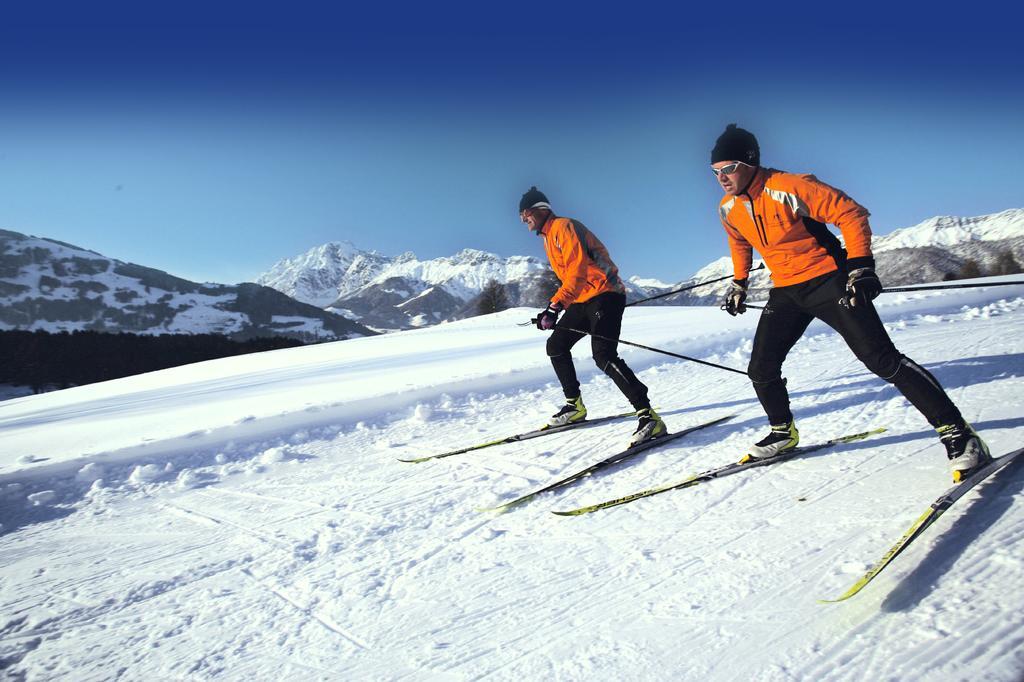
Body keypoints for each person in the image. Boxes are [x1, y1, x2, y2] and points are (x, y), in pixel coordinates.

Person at [710, 124, 990, 482]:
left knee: (883, 360)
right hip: (787, 289)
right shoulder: (728, 207)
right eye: (715, 171)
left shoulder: (790, 187)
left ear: (750, 162)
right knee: (761, 368)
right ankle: (783, 432)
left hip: (829, 279)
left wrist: (860, 267)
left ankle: (959, 434)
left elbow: (851, 213)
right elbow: (739, 241)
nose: (722, 177)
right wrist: (739, 281)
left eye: (728, 168)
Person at [519, 186, 667, 446]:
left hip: (605, 294)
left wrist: (555, 306)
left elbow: (578, 271)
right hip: (582, 300)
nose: (524, 219)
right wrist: (554, 307)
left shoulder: (563, 227)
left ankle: (649, 416)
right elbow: (570, 280)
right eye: (521, 215)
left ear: (541, 210)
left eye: (527, 212)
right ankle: (574, 406)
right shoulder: (548, 238)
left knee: (604, 355)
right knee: (556, 345)